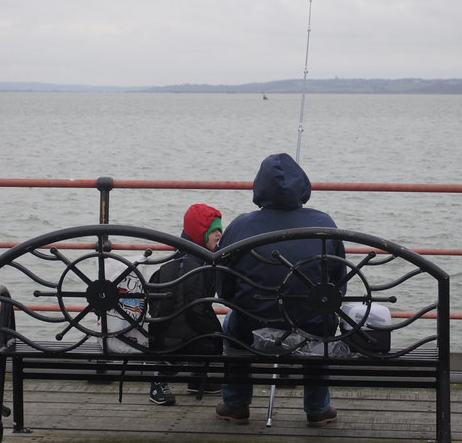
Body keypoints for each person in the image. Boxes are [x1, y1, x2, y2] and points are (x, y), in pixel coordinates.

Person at [215, 153, 345, 427]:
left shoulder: (240, 225)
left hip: (251, 324)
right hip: (311, 323)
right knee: (323, 317)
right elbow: (338, 284)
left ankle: (236, 404)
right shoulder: (324, 223)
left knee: (231, 322)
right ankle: (317, 408)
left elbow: (222, 288)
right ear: (302, 186)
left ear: (259, 187)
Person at [147, 203, 224, 405]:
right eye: (214, 230)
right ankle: (160, 380)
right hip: (178, 331)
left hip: (184, 326)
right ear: (200, 234)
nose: (219, 235)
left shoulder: (192, 258)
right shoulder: (191, 265)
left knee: (201, 330)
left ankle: (198, 378)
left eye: (220, 230)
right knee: (203, 333)